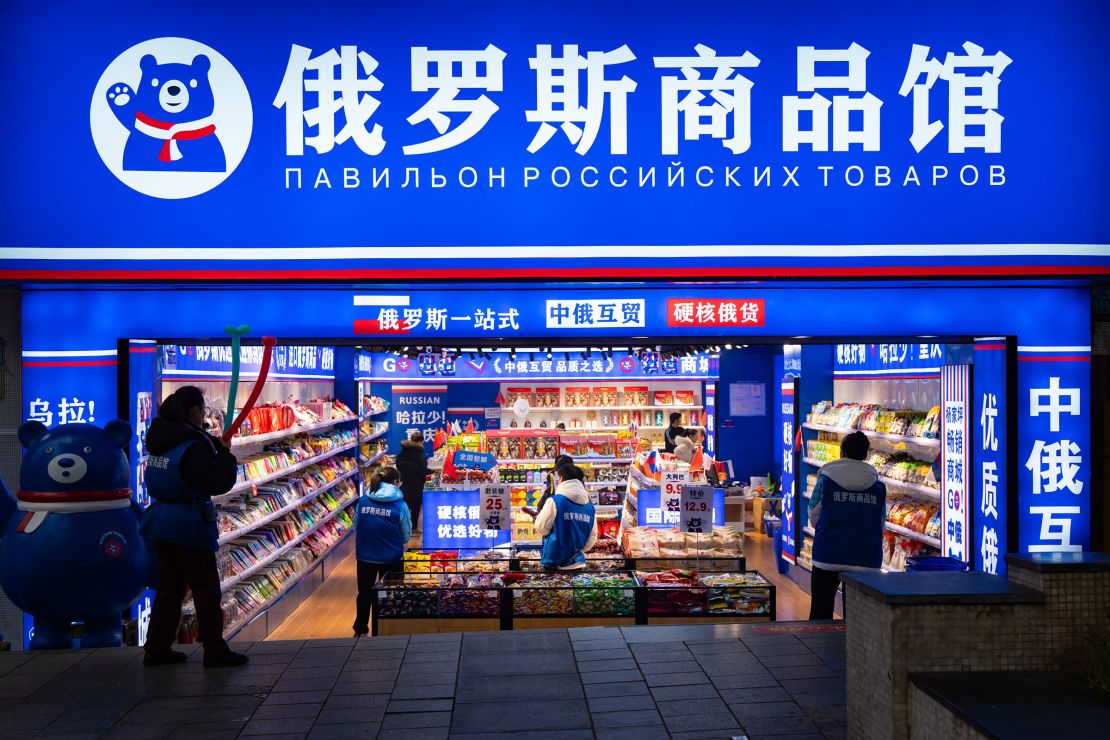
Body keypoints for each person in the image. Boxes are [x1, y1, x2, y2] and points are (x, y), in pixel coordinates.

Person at [141, 386, 248, 668]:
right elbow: (218, 482)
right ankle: (214, 649)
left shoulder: (160, 440)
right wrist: (225, 456)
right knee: (205, 588)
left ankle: (156, 647)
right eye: (202, 410)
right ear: (195, 411)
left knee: (170, 588)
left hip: (160, 521)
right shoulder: (192, 445)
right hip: (188, 523)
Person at [807, 431, 886, 620]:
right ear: (866, 454)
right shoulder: (878, 486)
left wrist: (830, 528)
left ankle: (817, 648)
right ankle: (855, 649)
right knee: (859, 618)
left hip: (828, 554)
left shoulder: (825, 481)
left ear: (842, 452)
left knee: (821, 610)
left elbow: (813, 515)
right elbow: (880, 523)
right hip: (866, 558)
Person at [353, 466, 412, 637]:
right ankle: (388, 629)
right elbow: (406, 533)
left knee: (364, 594)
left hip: (365, 556)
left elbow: (356, 525)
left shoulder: (363, 501)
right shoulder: (400, 505)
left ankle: (360, 629)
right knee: (391, 593)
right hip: (391, 556)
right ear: (396, 482)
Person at [534, 463, 597, 571]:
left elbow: (541, 528)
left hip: (553, 562)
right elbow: (591, 538)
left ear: (561, 478)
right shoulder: (590, 506)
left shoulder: (555, 501)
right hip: (577, 563)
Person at [396, 431, 428, 535]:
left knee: (405, 507)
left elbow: (398, 465)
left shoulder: (402, 452)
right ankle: (412, 528)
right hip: (416, 485)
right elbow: (423, 471)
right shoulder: (419, 455)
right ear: (419, 441)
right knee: (415, 508)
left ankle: (401, 526)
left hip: (404, 484)